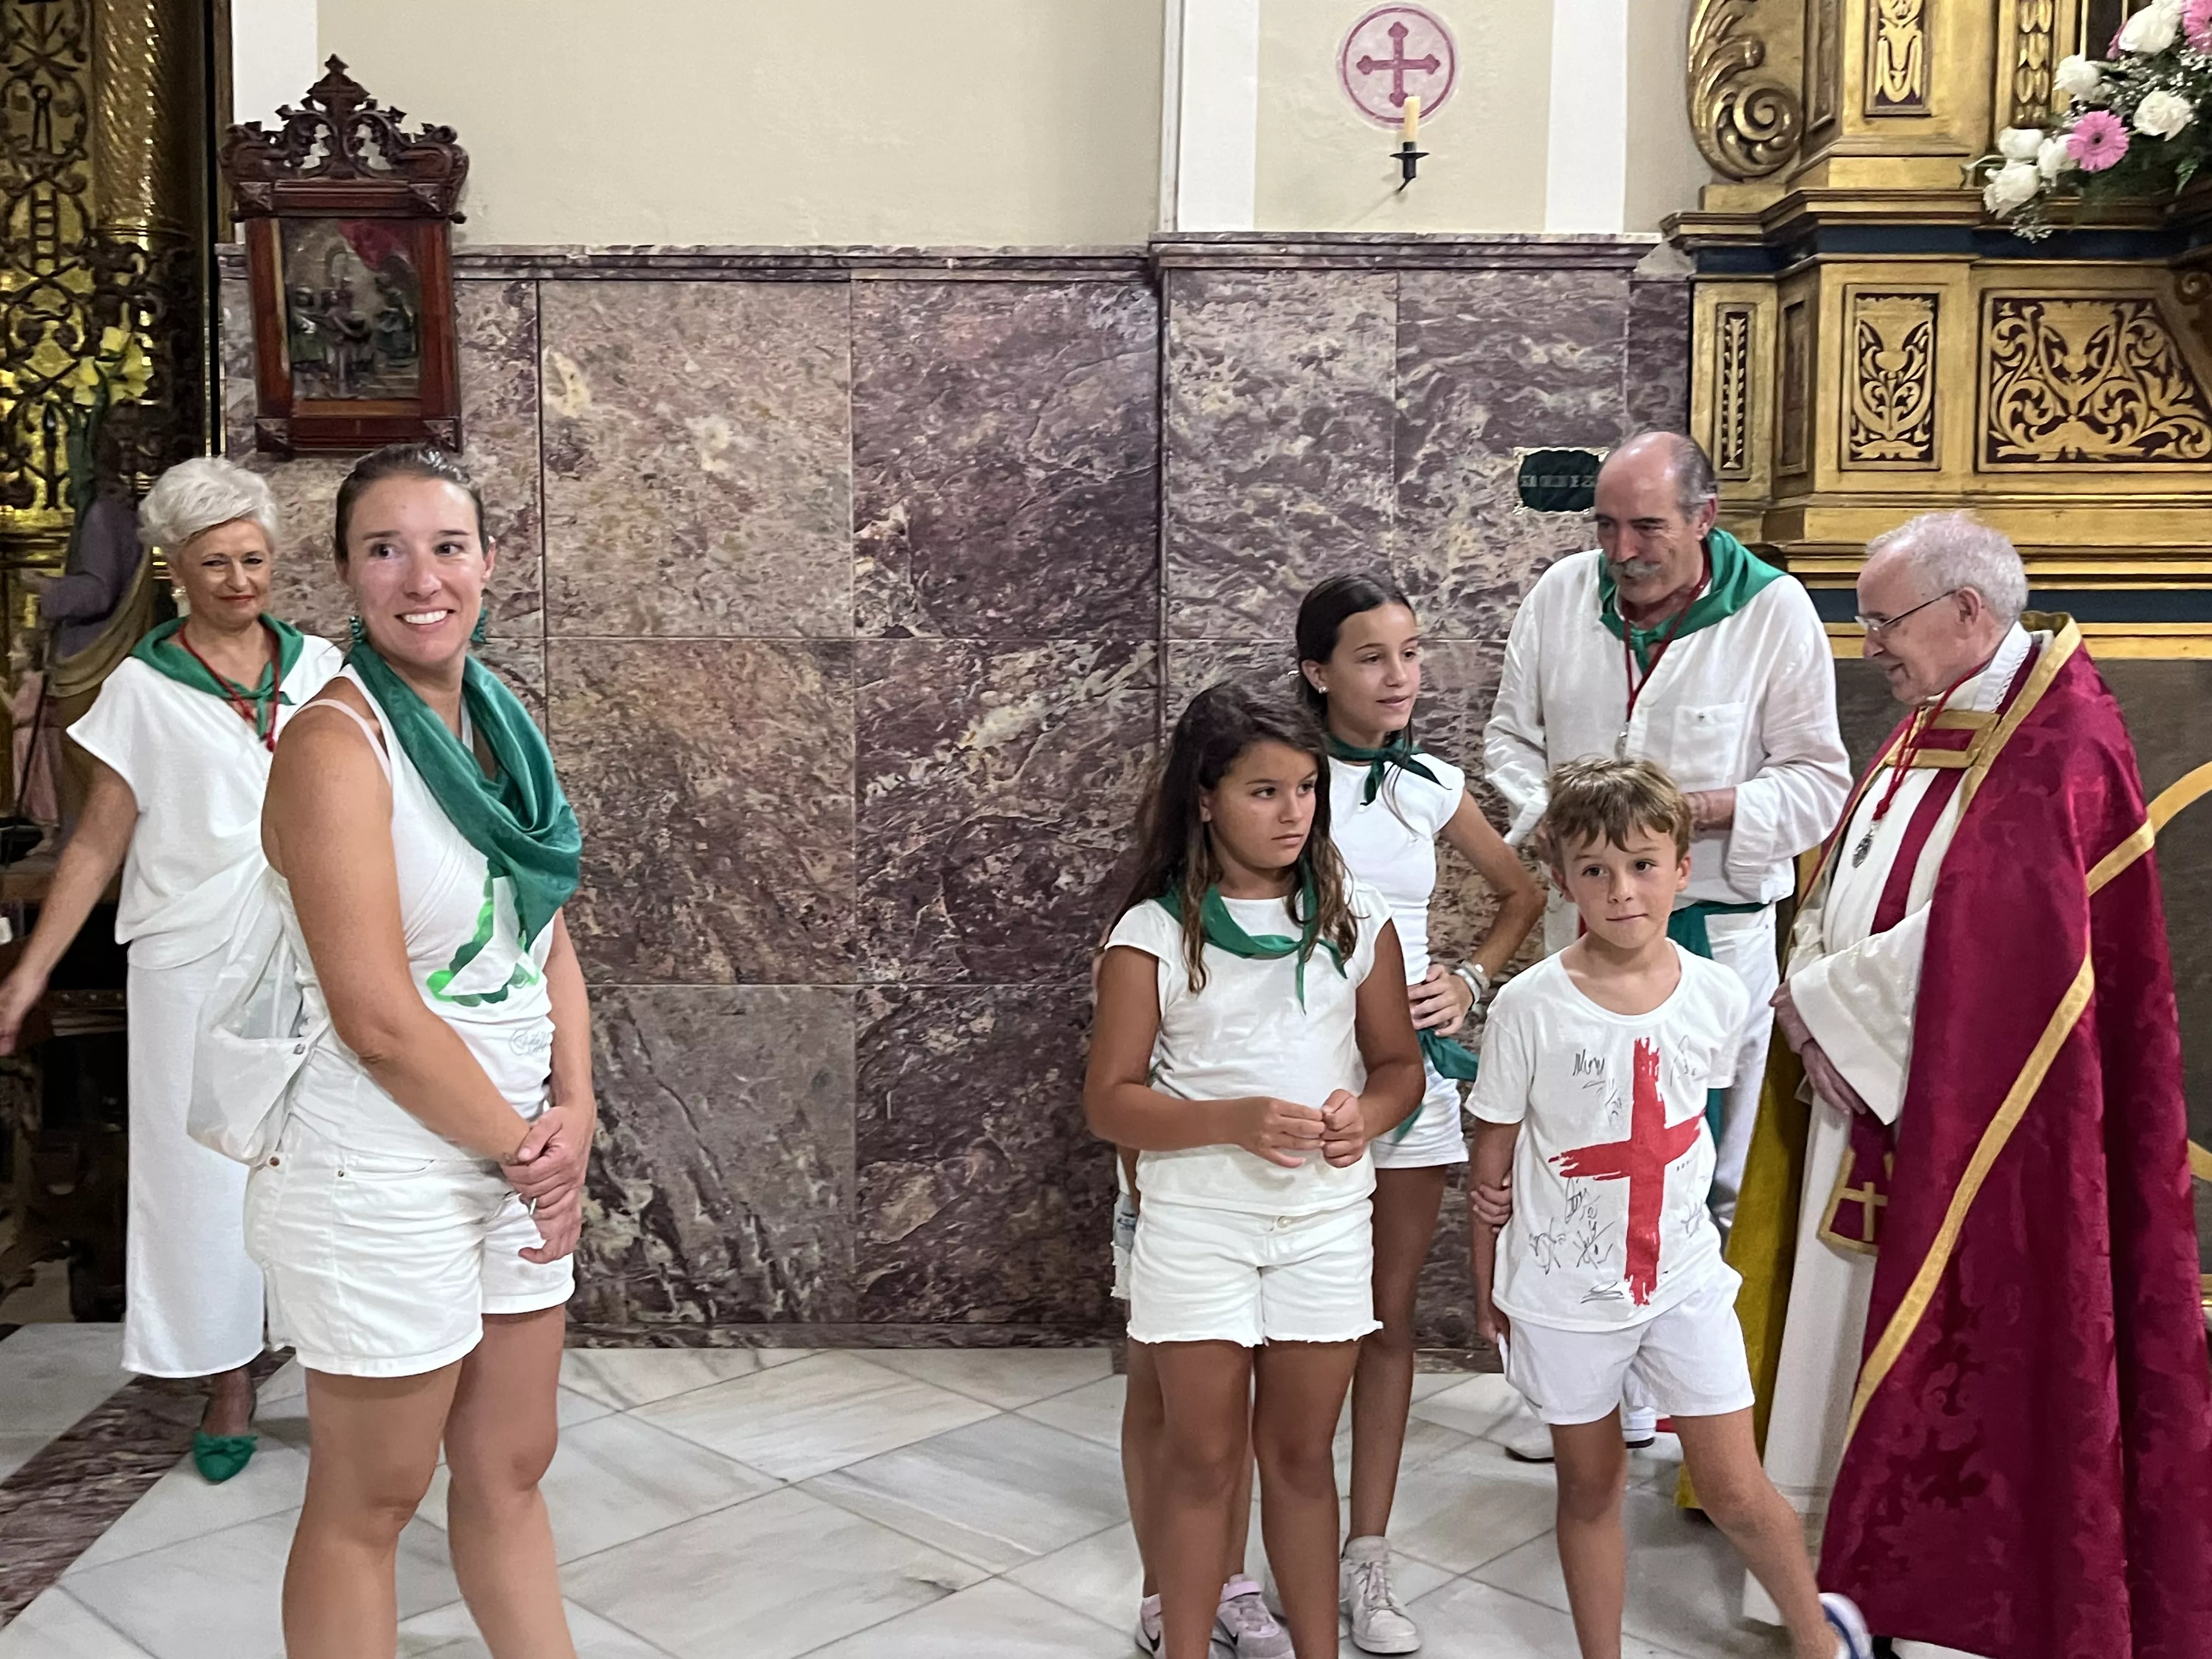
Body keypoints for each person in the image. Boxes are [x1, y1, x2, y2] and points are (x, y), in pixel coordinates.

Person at [1746, 514, 2212, 1659]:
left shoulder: (2060, 742)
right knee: (1833, 1332)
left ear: (1966, 613)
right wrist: (1812, 994)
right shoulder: (1933, 722)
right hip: (1859, 1092)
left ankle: (1936, 1596)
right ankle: (1829, 1582)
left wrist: (1826, 1006)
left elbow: (2006, 943)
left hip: (1974, 1132)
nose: (1869, 649)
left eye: (1883, 623)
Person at [251, 444, 592, 1656]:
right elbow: (380, 1019)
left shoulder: (502, 725)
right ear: (346, 572)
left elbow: (544, 937)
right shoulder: (335, 747)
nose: (421, 578)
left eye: (447, 546)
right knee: (372, 1499)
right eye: (384, 549)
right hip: (379, 1164)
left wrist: (578, 1113)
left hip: (510, 1145)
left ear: (488, 563)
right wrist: (528, 1151)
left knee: (508, 1468)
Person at [1468, 757, 1870, 1659]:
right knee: (1590, 1482)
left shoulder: (1718, 994)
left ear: (1683, 867)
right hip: (1567, 1289)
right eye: (1596, 869)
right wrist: (1487, 1270)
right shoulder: (1529, 1007)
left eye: (1643, 864)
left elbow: (1689, 1131)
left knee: (1733, 1481)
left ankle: (1816, 1634)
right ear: (1564, 875)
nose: (1621, 890)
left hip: (1682, 1277)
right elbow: (1491, 1156)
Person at [0, 456, 341, 1482]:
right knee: (196, 1176)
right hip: (189, 958)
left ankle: (342, 1363)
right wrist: (29, 972)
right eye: (215, 563)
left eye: (254, 558)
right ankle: (226, 1376)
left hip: (315, 945)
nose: (240, 579)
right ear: (175, 569)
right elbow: (100, 841)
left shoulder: (324, 666)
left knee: (328, 1159)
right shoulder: (140, 688)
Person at [1086, 679, 1424, 1659]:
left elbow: (1398, 1062)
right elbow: (1108, 1099)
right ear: (1204, 797)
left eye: (1306, 788)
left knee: (1303, 1457)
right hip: (1197, 1226)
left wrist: (1364, 1113)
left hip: (1321, 1223)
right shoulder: (1152, 932)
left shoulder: (1353, 915)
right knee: (1200, 1458)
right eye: (1263, 791)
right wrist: (1230, 1118)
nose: (1292, 812)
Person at [1483, 432, 1849, 1234]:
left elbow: (1820, 783)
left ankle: (1691, 1342)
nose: (1622, 550)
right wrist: (1558, 816)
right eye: (1605, 527)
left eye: (1646, 528)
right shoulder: (1560, 594)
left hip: (1711, 933)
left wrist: (1699, 811)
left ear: (1705, 519)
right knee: (1574, 1143)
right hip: (1579, 928)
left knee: (1702, 1171)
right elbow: (1509, 737)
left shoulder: (1771, 612)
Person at [1294, 573, 1545, 1652]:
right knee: (1304, 1319)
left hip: (1414, 1074)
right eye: (1370, 657)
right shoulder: (1287, 779)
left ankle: (1368, 1561)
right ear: (1318, 673)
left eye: (1410, 652)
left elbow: (1524, 896)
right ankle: (1278, 1552)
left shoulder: (1431, 784)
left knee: (1388, 1317)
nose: (1399, 676)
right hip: (1306, 1069)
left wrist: (1472, 981)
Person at [1111, 1147, 1290, 1657]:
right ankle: (1162, 1592)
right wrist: (1142, 1185)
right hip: (1163, 1178)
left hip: (1259, 1190)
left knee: (1230, 1388)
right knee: (1155, 1378)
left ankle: (1228, 1581)